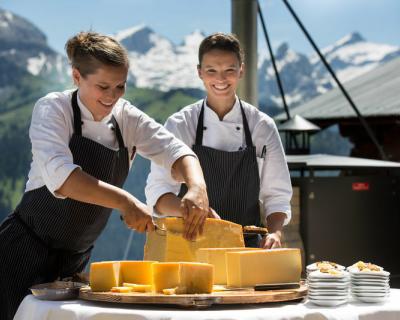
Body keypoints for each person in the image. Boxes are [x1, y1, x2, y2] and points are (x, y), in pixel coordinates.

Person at [0, 31, 209, 320]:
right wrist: (125, 202)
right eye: (103, 86)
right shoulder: (53, 109)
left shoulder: (126, 118)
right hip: (21, 252)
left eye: (120, 86)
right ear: (76, 76)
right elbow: (64, 178)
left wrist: (196, 186)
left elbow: (175, 151)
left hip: (76, 262)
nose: (112, 96)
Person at [145, 32, 292, 248]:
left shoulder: (262, 126)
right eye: (211, 71)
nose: (220, 79)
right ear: (200, 72)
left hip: (246, 246)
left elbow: (277, 194)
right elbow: (158, 192)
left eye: (229, 70)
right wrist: (194, 210)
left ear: (241, 70)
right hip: (190, 246)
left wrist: (276, 234)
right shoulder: (180, 124)